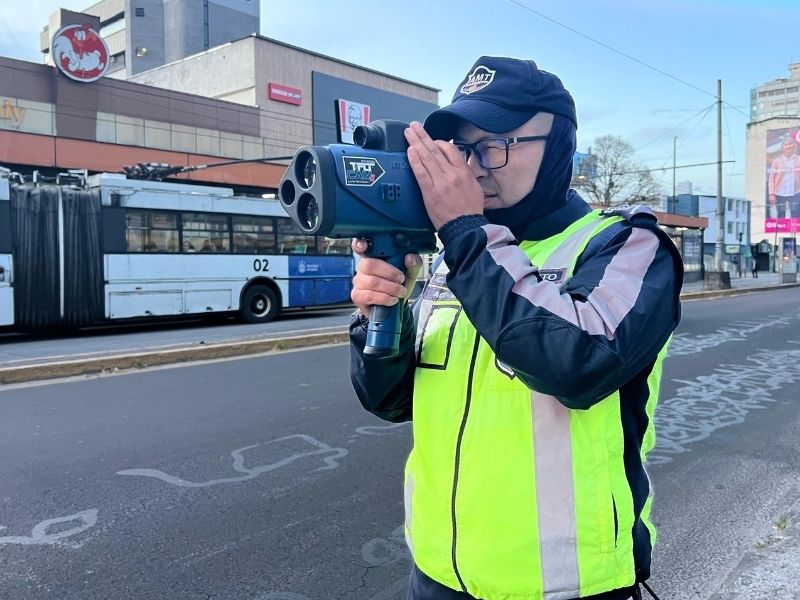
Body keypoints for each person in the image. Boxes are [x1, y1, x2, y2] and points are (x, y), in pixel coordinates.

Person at [349, 56, 683, 600]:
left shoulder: (625, 246)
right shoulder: (453, 260)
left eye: (494, 144)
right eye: (462, 149)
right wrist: (378, 315)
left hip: (565, 585)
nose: (473, 167)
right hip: (438, 572)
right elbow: (389, 401)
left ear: (558, 147)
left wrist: (465, 232)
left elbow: (579, 364)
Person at [767, 136, 800, 218]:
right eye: (786, 144)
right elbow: (771, 178)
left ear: (794, 146)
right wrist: (771, 193)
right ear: (782, 147)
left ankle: (795, 231)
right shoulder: (776, 161)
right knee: (780, 216)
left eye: (790, 144)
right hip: (780, 194)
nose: (788, 146)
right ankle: (782, 231)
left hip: (796, 193)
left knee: (796, 216)